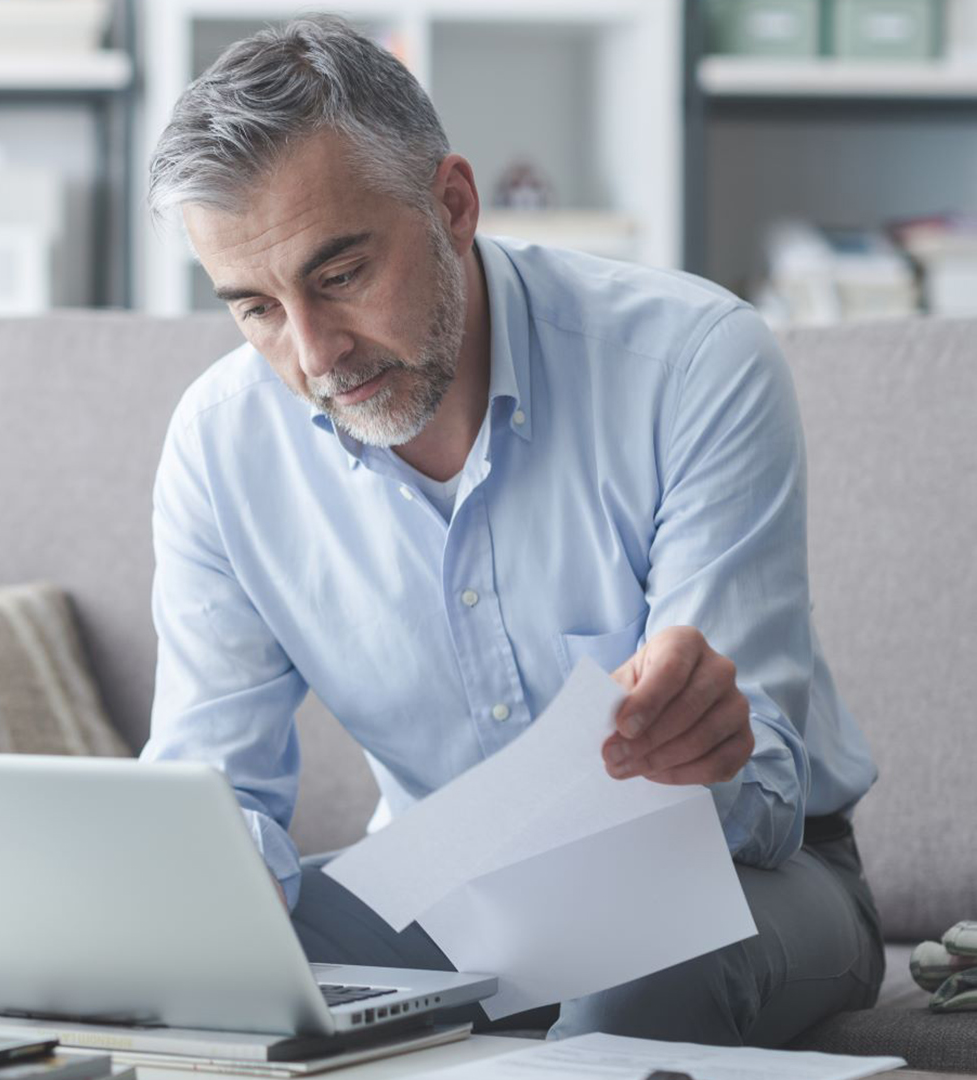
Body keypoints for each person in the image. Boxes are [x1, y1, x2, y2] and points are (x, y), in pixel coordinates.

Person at [140, 15, 882, 1045]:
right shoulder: (220, 448)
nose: (313, 354)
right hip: (446, 889)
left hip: (732, 875)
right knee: (158, 968)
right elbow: (212, 793)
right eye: (256, 308)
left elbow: (758, 801)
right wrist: (203, 907)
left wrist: (701, 750)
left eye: (341, 274)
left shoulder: (695, 363)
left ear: (452, 204)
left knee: (636, 984)